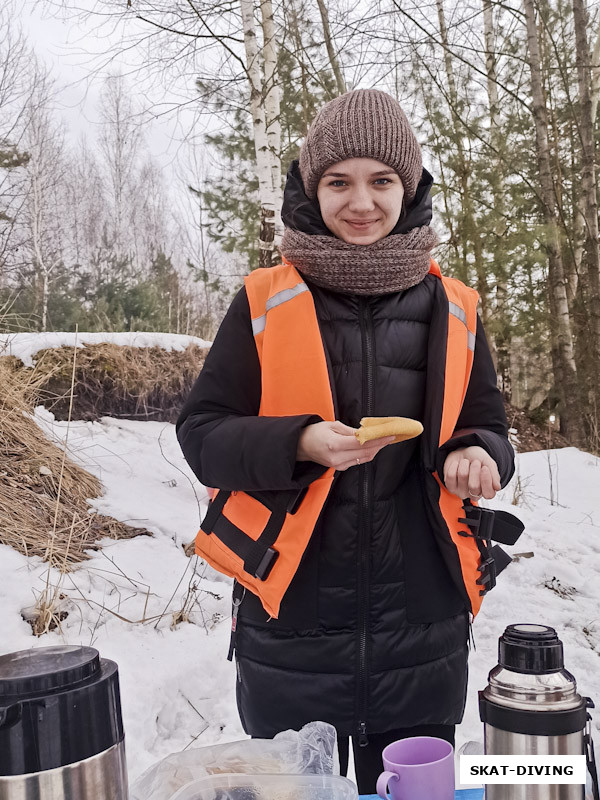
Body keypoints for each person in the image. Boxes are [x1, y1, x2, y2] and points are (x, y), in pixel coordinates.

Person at [177, 89, 516, 793]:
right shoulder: (263, 299)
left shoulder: (455, 307)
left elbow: (487, 423)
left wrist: (478, 453)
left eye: (381, 180)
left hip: (423, 624)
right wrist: (299, 443)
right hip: (291, 624)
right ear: (312, 188)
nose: (361, 201)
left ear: (410, 187)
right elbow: (202, 435)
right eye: (339, 182)